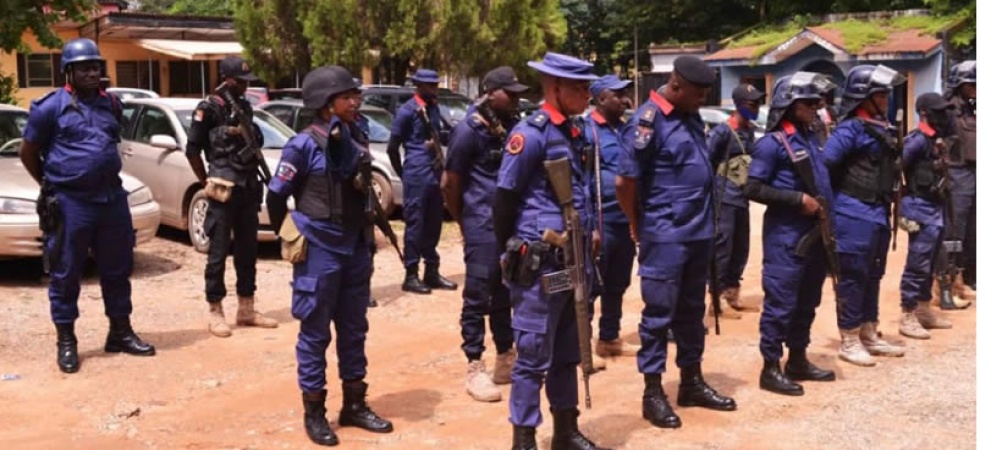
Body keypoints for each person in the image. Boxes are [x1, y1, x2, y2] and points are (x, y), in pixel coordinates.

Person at [265, 66, 394, 446]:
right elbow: (276, 196)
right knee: (315, 332)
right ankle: (315, 411)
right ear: (325, 104)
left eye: (356, 95)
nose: (355, 102)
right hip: (319, 250)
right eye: (346, 97)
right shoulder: (302, 145)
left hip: (354, 247)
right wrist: (292, 235)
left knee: (354, 330)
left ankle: (354, 404)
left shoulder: (357, 136)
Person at [19, 37, 155, 373]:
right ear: (68, 71)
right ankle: (67, 340)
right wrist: (49, 184)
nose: (92, 73)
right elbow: (28, 152)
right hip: (71, 202)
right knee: (66, 273)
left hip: (111, 200)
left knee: (117, 269)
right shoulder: (49, 107)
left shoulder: (111, 104)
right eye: (84, 68)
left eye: (95, 67)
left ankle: (120, 332)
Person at [495, 52, 608, 450]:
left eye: (588, 87)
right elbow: (504, 200)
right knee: (532, 353)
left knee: (568, 347)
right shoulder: (531, 134)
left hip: (574, 261)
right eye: (579, 88)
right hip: (542, 262)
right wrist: (507, 253)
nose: (587, 95)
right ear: (555, 87)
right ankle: (524, 437)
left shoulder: (577, 132)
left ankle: (566, 429)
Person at [617, 55, 737, 430]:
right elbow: (625, 182)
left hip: (698, 232)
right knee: (658, 316)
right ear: (676, 85)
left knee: (691, 311)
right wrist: (637, 223)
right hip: (665, 234)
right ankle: (653, 392)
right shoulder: (648, 121)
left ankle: (691, 382)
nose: (702, 100)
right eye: (698, 93)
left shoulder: (690, 116)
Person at [744, 72, 839, 396]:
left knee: (808, 301)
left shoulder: (813, 137)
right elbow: (752, 187)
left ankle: (797, 359)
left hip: (815, 234)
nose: (815, 108)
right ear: (788, 104)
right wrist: (797, 199)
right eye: (808, 103)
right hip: (786, 236)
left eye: (817, 103)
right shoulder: (772, 144)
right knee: (781, 303)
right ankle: (770, 367)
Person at [441, 66, 524, 403]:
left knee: (505, 290)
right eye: (510, 93)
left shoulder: (510, 127)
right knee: (478, 295)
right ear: (490, 93)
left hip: (508, 223)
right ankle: (475, 366)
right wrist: (464, 222)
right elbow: (450, 183)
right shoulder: (468, 131)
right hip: (481, 223)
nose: (516, 98)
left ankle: (506, 357)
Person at [185, 56, 277, 337]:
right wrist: (205, 181)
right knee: (218, 253)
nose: (245, 86)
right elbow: (192, 150)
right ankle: (215, 310)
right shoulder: (208, 109)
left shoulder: (244, 106)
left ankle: (246, 308)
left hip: (247, 187)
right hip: (222, 190)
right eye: (240, 81)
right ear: (226, 79)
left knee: (248, 252)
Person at [822, 64, 907, 367]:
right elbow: (825, 164)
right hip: (852, 212)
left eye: (886, 95)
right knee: (853, 276)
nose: (885, 100)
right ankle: (849, 337)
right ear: (863, 97)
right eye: (880, 95)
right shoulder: (849, 130)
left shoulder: (881, 127)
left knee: (874, 274)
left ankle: (869, 331)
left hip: (878, 212)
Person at [583, 74, 641, 361]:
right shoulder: (587, 130)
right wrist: (589, 224)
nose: (624, 100)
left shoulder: (627, 129)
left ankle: (609, 338)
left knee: (618, 283)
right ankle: (583, 345)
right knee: (592, 285)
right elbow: (581, 180)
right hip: (601, 220)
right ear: (601, 99)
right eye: (617, 95)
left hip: (624, 220)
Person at [388, 68, 458, 294]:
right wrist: (404, 174)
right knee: (415, 224)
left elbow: (442, 134)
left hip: (435, 172)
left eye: (436, 84)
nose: (435, 89)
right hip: (416, 174)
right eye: (431, 85)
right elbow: (392, 147)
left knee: (434, 223)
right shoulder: (407, 111)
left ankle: (432, 271)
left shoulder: (434, 108)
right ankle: (411, 274)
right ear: (419, 86)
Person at [897, 92, 959, 339]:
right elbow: (897, 168)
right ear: (924, 112)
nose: (944, 116)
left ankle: (923, 309)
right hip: (919, 208)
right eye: (939, 112)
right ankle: (908, 313)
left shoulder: (934, 139)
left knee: (931, 262)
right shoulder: (917, 141)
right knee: (918, 262)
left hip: (935, 208)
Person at [705, 83, 766, 319]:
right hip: (724, 198)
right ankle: (717, 299)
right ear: (739, 105)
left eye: (758, 104)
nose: (756, 108)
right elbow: (708, 162)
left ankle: (732, 292)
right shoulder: (722, 132)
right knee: (723, 248)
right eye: (752, 104)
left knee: (741, 248)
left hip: (742, 198)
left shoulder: (750, 131)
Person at [942, 60, 976, 304]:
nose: (975, 88)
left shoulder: (974, 108)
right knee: (956, 229)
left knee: (975, 229)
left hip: (975, 171)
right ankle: (951, 281)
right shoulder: (948, 110)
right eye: (970, 84)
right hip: (957, 172)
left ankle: (970, 278)